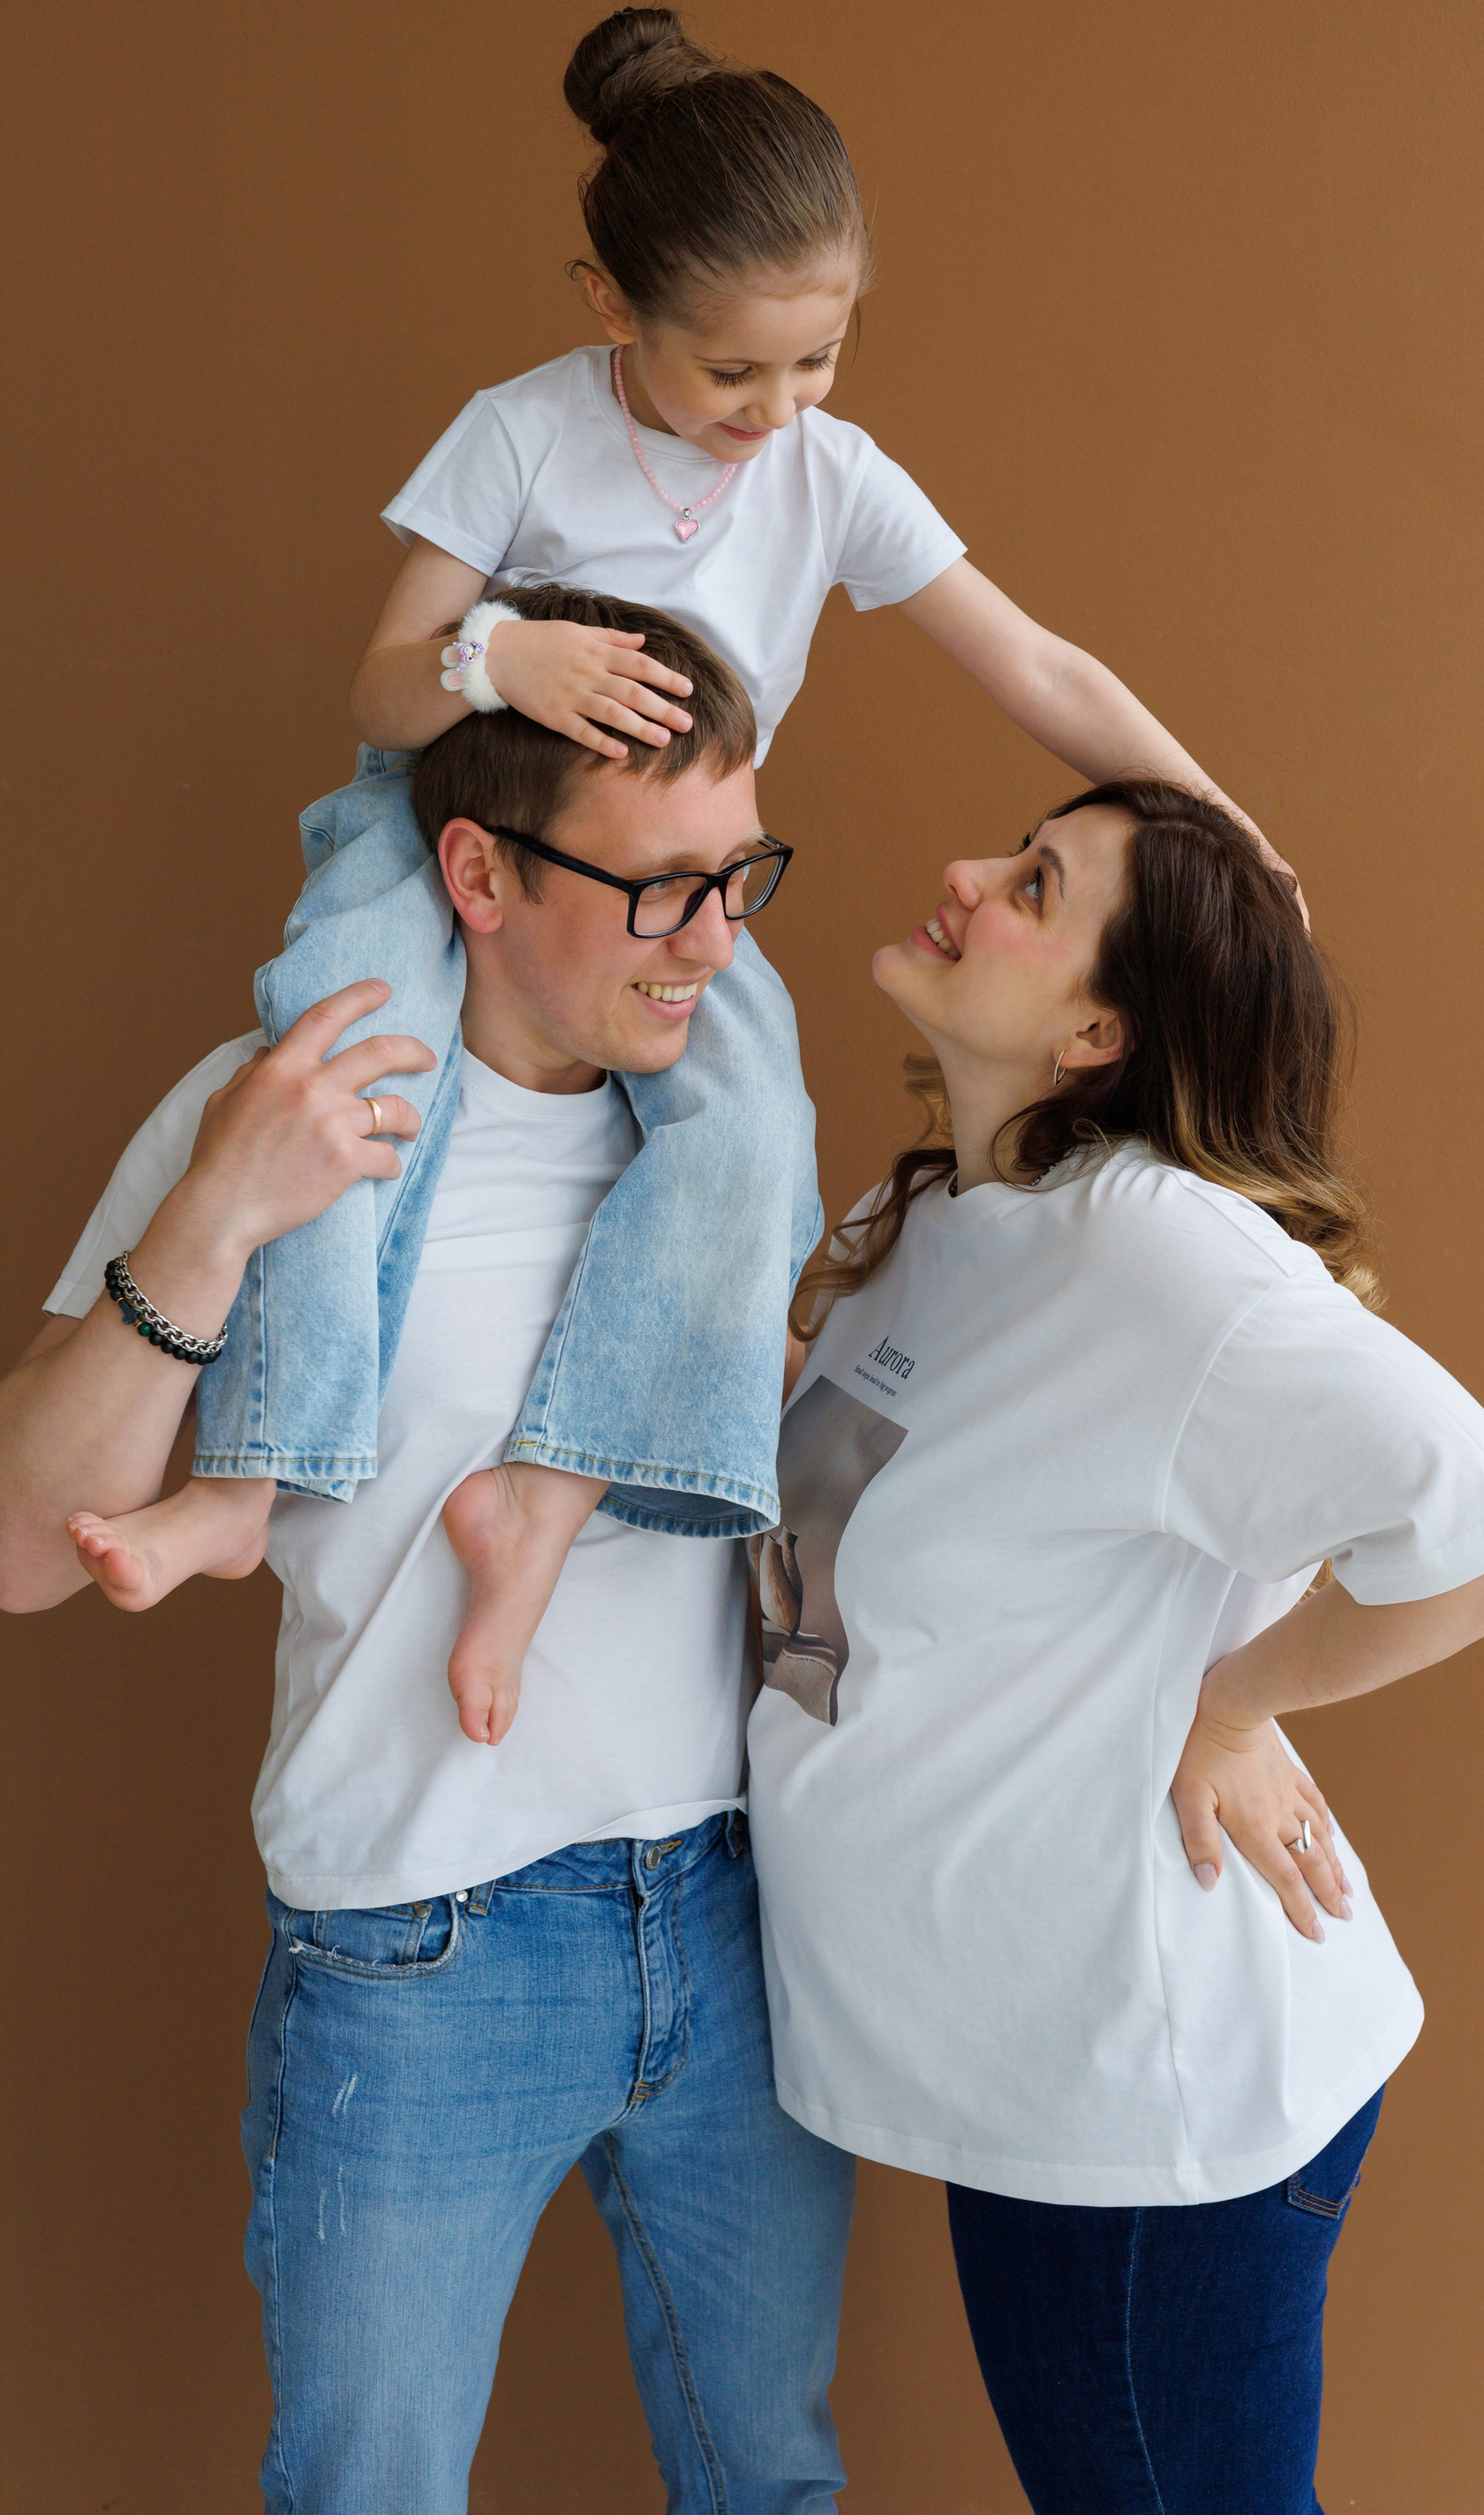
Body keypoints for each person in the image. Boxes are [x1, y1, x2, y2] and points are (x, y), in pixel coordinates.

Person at [67, 6, 1291, 1744]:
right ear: (610, 307)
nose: (774, 412)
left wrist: (1224, 823)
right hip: (440, 832)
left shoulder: (828, 475)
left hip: (670, 887)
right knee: (339, 1072)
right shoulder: (519, 436)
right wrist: (501, 659)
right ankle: (254, 1476)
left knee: (754, 1131)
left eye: (818, 363)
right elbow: (382, 691)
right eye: (732, 374)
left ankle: (546, 1499)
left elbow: (1038, 667)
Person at [0, 601, 855, 2515]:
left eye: (741, 877)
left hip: (738, 1911)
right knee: (365, 2514)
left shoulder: (735, 1143)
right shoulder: (286, 1098)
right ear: (477, 874)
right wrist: (220, 1208)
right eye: (659, 890)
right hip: (420, 1949)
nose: (716, 944)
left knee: (777, 2491)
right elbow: (23, 1551)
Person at [746, 780, 1484, 2515]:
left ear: (1097, 1033)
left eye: (1034, 886)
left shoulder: (1153, 1253)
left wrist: (1235, 1699)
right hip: (1031, 2061)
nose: (965, 876)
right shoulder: (931, 1227)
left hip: (1154, 2100)